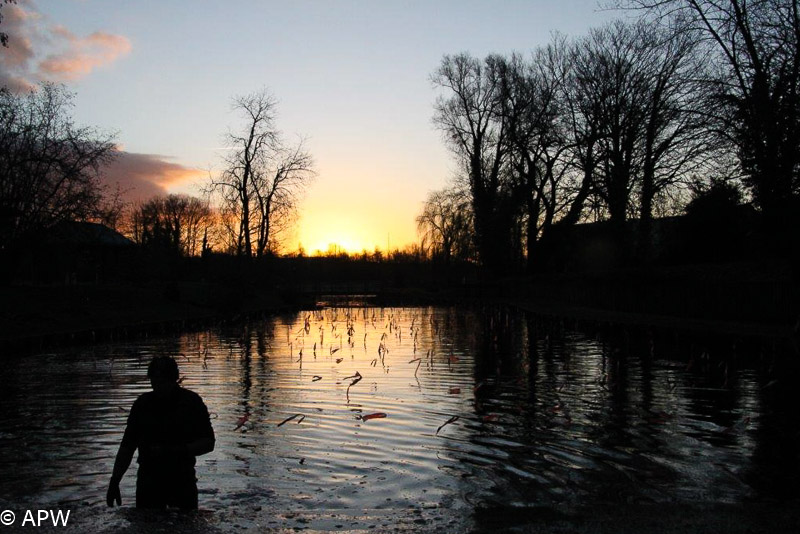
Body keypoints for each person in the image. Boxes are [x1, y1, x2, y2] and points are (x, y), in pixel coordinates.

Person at [107, 356, 215, 509]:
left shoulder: (191, 403)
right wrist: (115, 480)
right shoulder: (142, 405)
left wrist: (176, 451)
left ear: (174, 379)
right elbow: (127, 447)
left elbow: (209, 443)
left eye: (163, 382)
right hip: (149, 482)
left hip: (181, 480)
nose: (158, 387)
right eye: (154, 382)